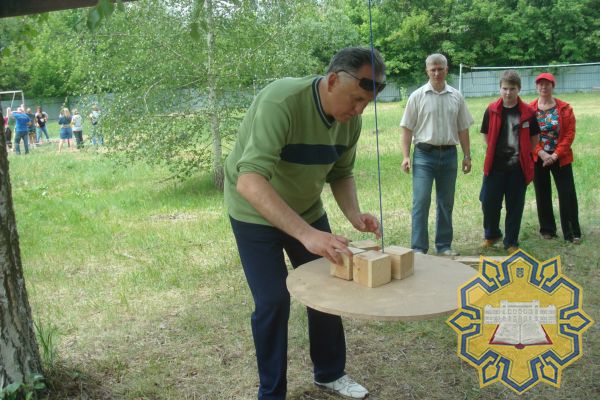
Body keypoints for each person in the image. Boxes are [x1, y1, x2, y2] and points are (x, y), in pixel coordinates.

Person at [224, 47, 386, 400]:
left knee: (327, 287)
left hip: (307, 209)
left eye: (366, 103)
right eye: (356, 99)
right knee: (273, 300)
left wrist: (354, 215)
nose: (359, 110)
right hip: (254, 211)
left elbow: (341, 173)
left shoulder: (349, 121)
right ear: (332, 81)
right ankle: (272, 392)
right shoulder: (281, 102)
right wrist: (306, 234)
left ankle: (330, 373)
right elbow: (249, 181)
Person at [399, 53, 473, 256]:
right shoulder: (417, 96)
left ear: (446, 70)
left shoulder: (456, 96)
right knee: (421, 202)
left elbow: (463, 128)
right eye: (433, 69)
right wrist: (406, 156)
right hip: (424, 155)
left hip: (449, 155)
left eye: (440, 69)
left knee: (446, 203)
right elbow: (406, 129)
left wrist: (467, 156)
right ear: (427, 71)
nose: (437, 73)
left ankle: (444, 246)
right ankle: (418, 248)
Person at [479, 70, 540, 253]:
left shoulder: (528, 112)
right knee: (488, 202)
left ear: (518, 89)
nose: (508, 92)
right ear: (500, 88)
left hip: (518, 168)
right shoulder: (492, 110)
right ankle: (492, 234)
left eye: (512, 89)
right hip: (495, 167)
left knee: (515, 206)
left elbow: (534, 138)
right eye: (505, 88)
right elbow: (486, 134)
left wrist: (522, 153)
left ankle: (511, 242)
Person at [530, 73, 581, 244]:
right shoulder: (529, 110)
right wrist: (541, 153)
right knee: (542, 193)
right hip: (539, 157)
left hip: (560, 157)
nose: (544, 87)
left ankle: (572, 232)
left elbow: (569, 134)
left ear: (553, 86)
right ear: (537, 86)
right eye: (540, 84)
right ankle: (547, 230)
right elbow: (527, 136)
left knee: (567, 194)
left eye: (547, 84)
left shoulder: (565, 108)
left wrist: (555, 154)